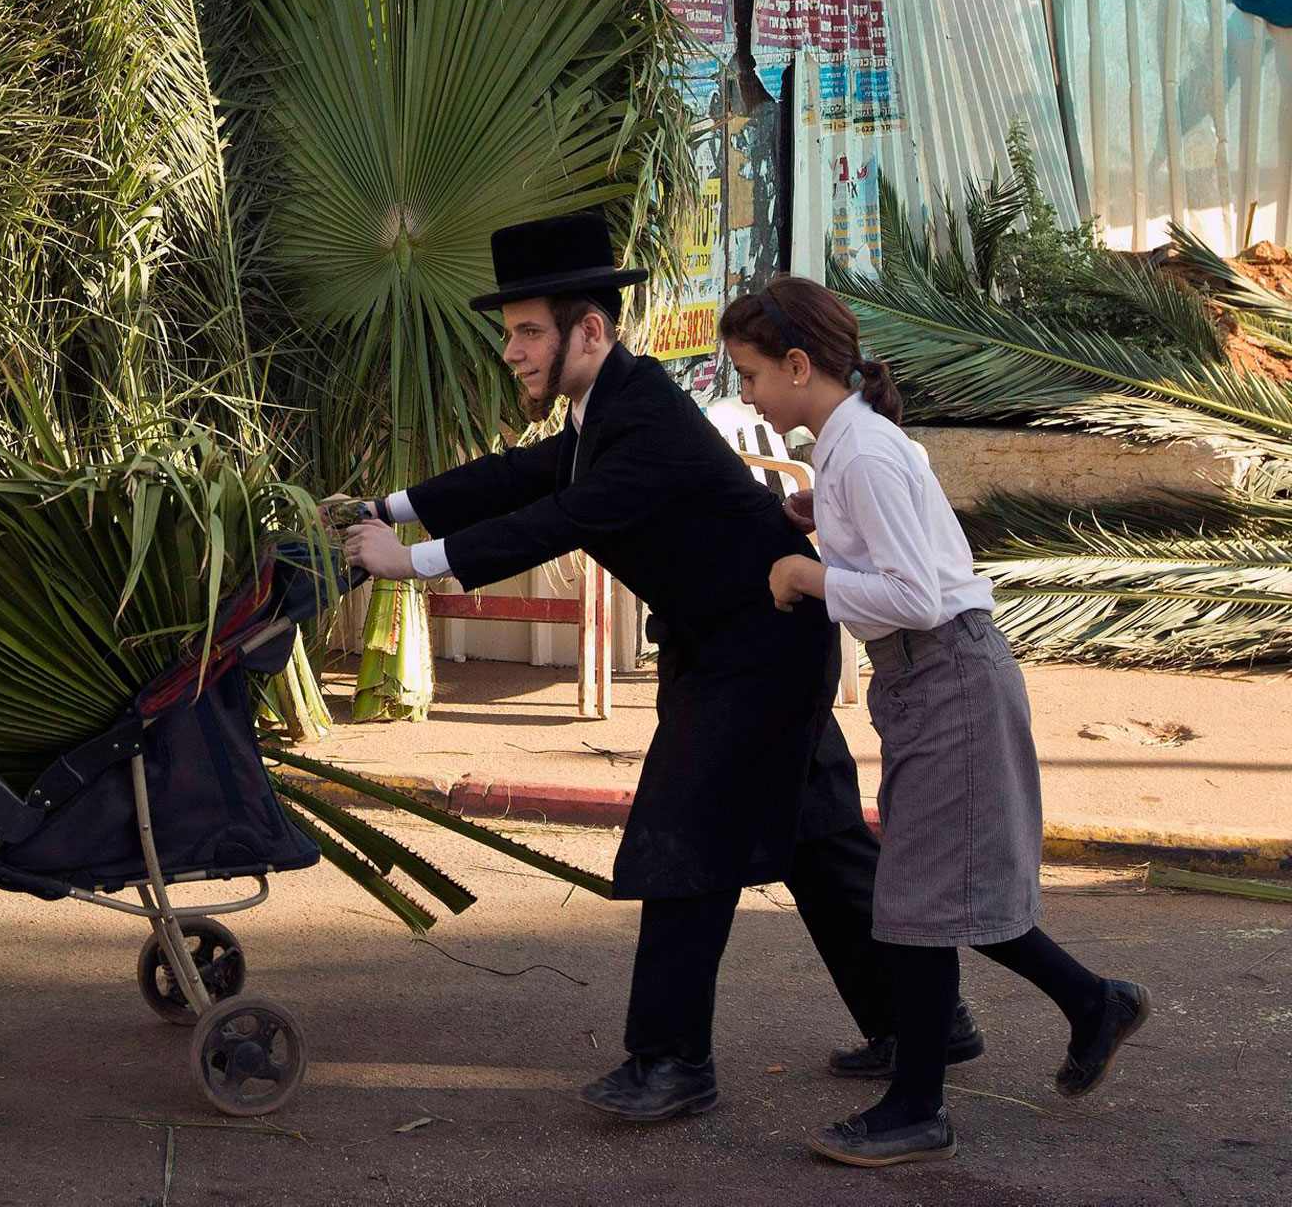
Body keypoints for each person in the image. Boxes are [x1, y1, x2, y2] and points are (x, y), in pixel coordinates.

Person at [338, 213, 946, 1124]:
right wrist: (384, 507)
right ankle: (921, 1020)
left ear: (590, 330)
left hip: (758, 647)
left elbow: (559, 520)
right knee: (818, 835)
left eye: (528, 331)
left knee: (683, 839)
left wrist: (414, 562)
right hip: (737, 642)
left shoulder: (645, 417)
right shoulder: (605, 408)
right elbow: (518, 478)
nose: (511, 351)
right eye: (509, 333)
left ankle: (671, 1061)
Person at [718, 274, 1150, 1168]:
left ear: (797, 365)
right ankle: (1092, 1004)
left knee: (918, 899)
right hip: (934, 678)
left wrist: (809, 575)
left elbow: (914, 595)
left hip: (945, 671)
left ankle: (918, 1107)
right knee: (946, 890)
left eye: (751, 374)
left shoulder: (862, 453)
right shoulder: (852, 447)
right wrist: (828, 524)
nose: (747, 393)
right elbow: (904, 550)